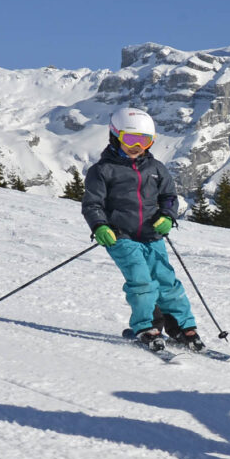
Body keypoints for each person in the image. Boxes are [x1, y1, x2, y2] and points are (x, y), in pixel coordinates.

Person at [81, 107, 204, 352]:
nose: (137, 146)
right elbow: (92, 203)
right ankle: (147, 326)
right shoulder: (102, 170)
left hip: (152, 235)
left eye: (144, 140)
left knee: (167, 281)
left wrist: (168, 216)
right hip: (120, 235)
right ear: (115, 136)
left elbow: (169, 197)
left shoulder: (157, 168)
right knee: (141, 280)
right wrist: (100, 225)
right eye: (130, 139)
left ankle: (181, 327)